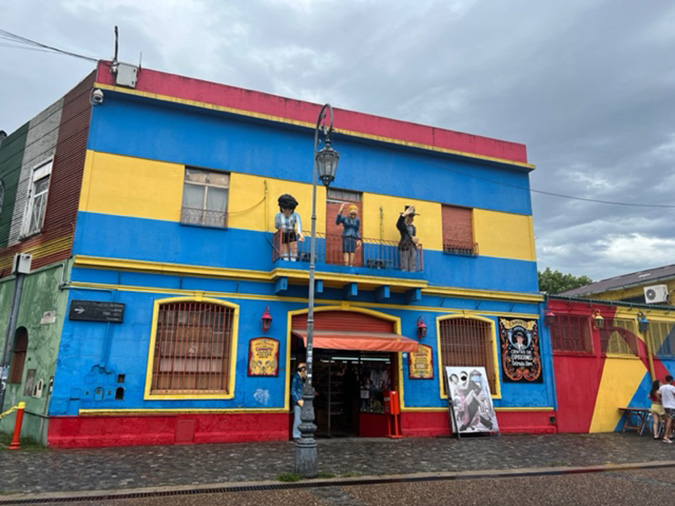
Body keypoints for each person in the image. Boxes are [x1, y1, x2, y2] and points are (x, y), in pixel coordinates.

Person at [274, 194, 304, 261]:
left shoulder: (296, 215)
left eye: (289, 210)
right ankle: (285, 260)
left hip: (291, 233)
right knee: (284, 250)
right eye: (285, 209)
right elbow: (276, 226)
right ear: (282, 208)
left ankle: (293, 260)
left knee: (293, 249)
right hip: (283, 233)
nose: (287, 212)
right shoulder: (278, 216)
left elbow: (299, 224)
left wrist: (300, 234)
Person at [396, 205, 421, 272]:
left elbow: (413, 235)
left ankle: (412, 272)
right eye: (410, 216)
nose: (411, 218)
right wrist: (404, 215)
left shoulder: (413, 227)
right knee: (405, 261)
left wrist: (415, 239)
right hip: (405, 245)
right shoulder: (402, 225)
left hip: (412, 245)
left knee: (412, 260)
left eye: (412, 216)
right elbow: (398, 224)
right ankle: (405, 271)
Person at [291, 362, 307, 440]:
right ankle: (296, 435)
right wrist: (298, 400)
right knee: (298, 419)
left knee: (301, 418)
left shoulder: (301, 378)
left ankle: (300, 434)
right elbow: (293, 390)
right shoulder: (296, 377)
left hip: (302, 400)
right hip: (299, 401)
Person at [658, 375, 675, 443]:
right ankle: (666, 436)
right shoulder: (672, 387)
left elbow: (659, 396)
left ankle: (669, 434)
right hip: (672, 406)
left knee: (670, 421)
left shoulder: (662, 387)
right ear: (671, 380)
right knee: (669, 421)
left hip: (665, 406)